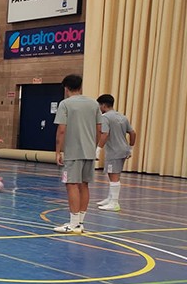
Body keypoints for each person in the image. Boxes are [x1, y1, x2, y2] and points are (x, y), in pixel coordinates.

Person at [53, 74, 108, 233]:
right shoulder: (93, 104)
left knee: (71, 185)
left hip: (73, 153)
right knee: (84, 185)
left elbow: (61, 130)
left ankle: (74, 224)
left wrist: (58, 151)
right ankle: (80, 222)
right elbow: (99, 129)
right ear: (80, 86)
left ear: (66, 88)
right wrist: (95, 148)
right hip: (89, 152)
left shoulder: (65, 104)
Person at [95, 94, 137, 212]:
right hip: (123, 149)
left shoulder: (105, 117)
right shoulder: (122, 117)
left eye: (99, 105)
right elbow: (133, 133)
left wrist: (98, 149)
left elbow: (105, 134)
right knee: (111, 173)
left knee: (114, 176)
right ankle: (110, 198)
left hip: (114, 151)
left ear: (103, 105)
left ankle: (114, 203)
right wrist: (131, 148)